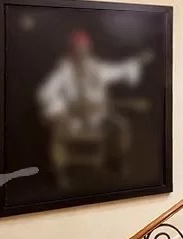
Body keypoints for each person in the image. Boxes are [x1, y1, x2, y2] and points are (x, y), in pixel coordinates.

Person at [38, 30, 151, 180]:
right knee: (57, 133)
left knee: (121, 126)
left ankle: (118, 161)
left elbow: (119, 70)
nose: (82, 53)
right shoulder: (64, 70)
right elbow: (45, 93)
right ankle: (60, 172)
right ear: (72, 51)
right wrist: (60, 111)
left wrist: (138, 61)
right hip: (74, 119)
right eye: (78, 50)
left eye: (85, 50)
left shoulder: (97, 68)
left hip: (99, 117)